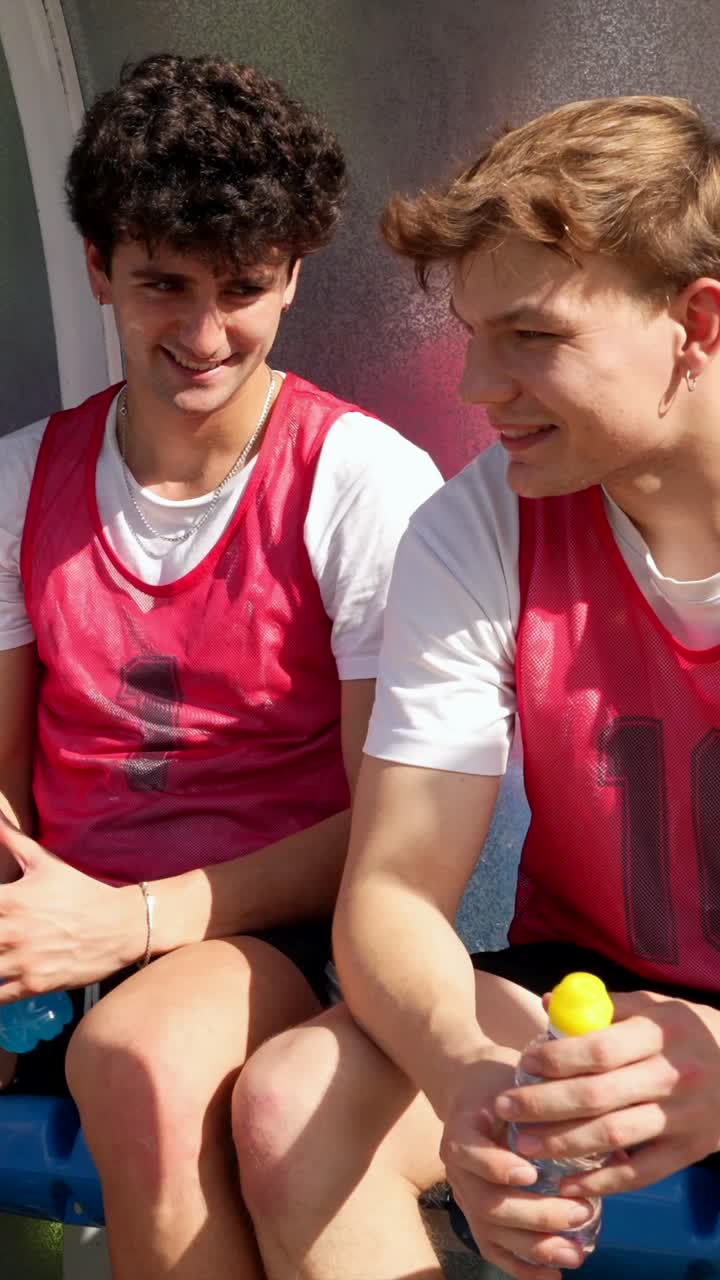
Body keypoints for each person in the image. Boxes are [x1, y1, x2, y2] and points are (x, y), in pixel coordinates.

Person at [233, 95, 720, 1280]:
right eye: (469, 333)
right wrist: (466, 1078)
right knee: (294, 1103)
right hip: (579, 997)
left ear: (695, 323)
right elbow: (393, 889)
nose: (473, 384)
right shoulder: (478, 526)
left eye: (532, 336)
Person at [0, 52, 441, 1280]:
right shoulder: (19, 477)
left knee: (141, 1056)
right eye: (162, 286)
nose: (205, 335)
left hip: (284, 933)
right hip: (60, 937)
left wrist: (127, 919)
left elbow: (385, 836)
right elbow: (6, 778)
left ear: (296, 275)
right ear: (96, 267)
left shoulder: (363, 482)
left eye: (245, 287)